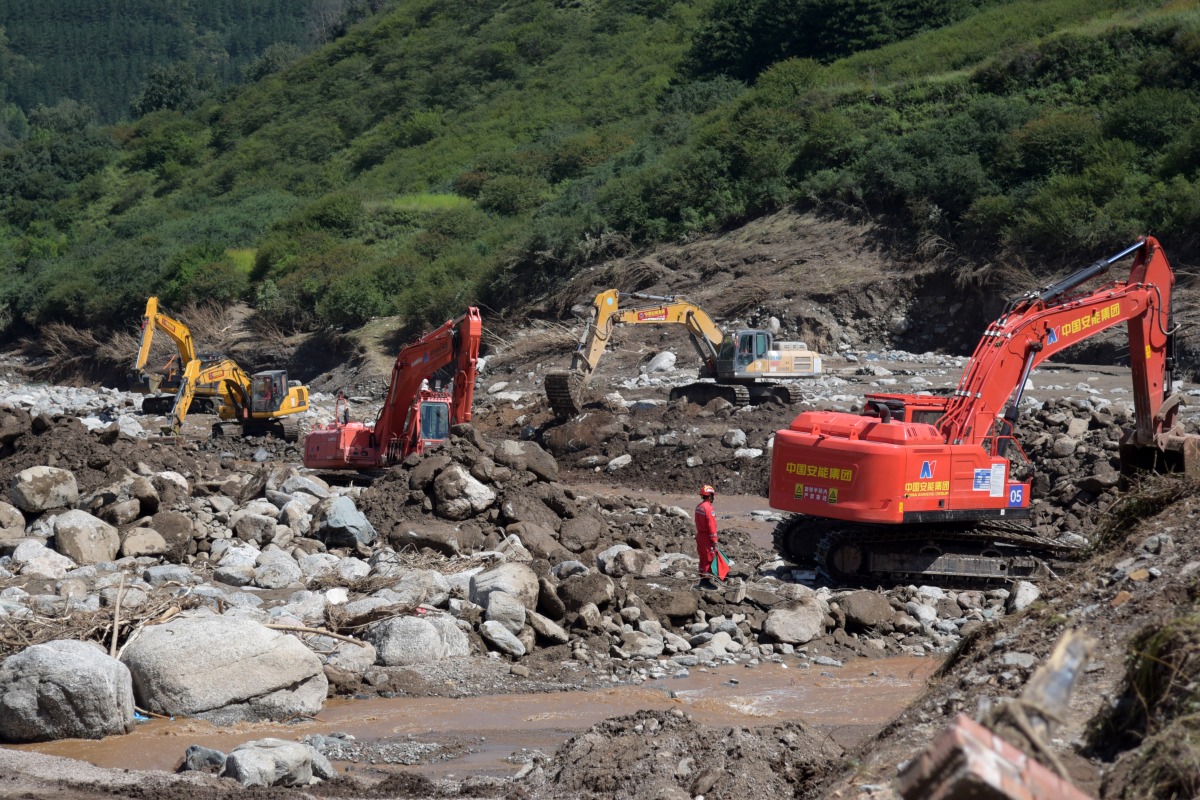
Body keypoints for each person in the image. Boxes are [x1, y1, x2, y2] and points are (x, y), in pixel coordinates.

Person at [695, 484, 719, 587]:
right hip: (706, 537)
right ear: (710, 496)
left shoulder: (699, 507)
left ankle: (702, 579)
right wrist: (714, 540)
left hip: (700, 535)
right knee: (709, 558)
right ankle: (706, 581)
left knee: (702, 557)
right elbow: (711, 526)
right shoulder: (709, 508)